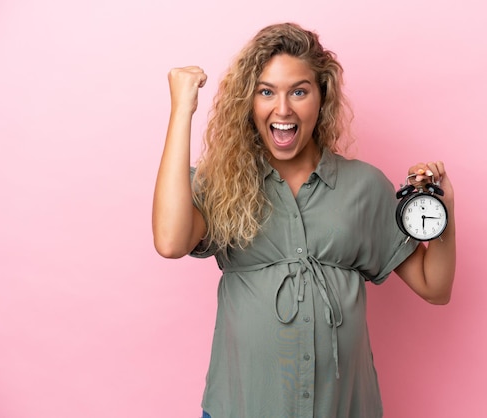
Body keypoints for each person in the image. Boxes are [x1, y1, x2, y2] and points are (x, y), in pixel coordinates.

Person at [152, 22, 455, 418]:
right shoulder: (223, 181)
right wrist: (181, 112)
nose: (282, 109)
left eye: (298, 91)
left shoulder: (364, 185)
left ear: (321, 97)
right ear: (248, 101)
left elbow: (436, 287)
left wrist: (444, 208)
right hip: (242, 407)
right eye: (266, 92)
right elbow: (170, 242)